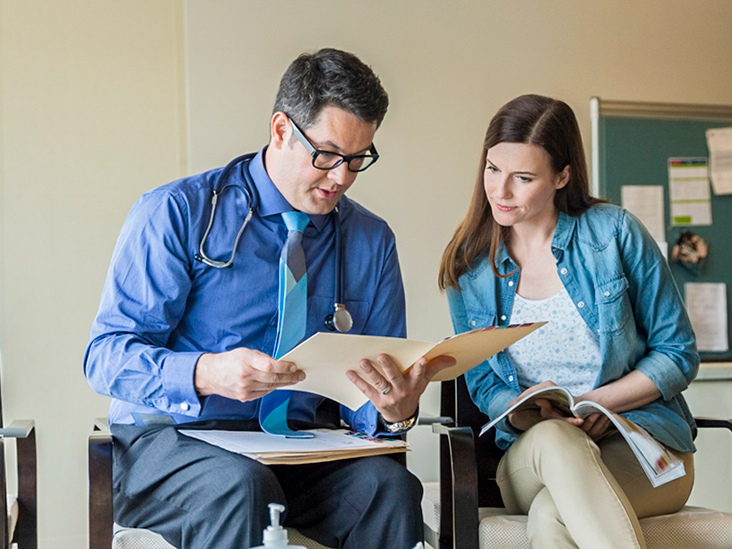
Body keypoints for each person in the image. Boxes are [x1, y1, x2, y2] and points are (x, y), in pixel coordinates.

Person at [85, 48, 453, 549]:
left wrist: (395, 409)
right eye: (327, 155)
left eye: (358, 159)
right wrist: (207, 372)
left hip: (299, 448)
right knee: (241, 487)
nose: (342, 177)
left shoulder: (370, 240)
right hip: (173, 444)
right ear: (281, 129)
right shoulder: (176, 212)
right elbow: (106, 357)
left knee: (388, 488)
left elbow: (375, 392)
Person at [438, 94, 698, 549]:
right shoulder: (470, 268)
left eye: (522, 178)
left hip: (641, 448)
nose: (500, 191)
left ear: (562, 176)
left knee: (552, 519)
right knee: (557, 438)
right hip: (531, 457)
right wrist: (525, 411)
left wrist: (601, 402)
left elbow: (678, 354)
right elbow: (482, 385)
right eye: (493, 170)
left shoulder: (615, 234)